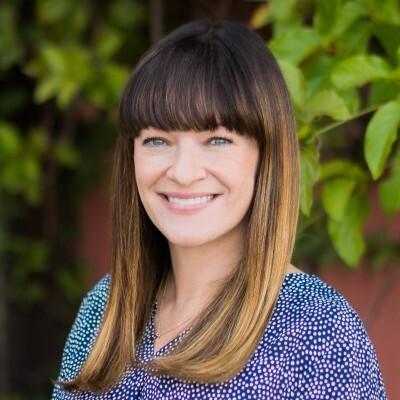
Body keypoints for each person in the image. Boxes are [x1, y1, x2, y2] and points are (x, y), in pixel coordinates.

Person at [51, 18, 387, 399]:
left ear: (266, 156)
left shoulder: (318, 331)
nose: (183, 172)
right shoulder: (106, 309)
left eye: (217, 140)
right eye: (157, 140)